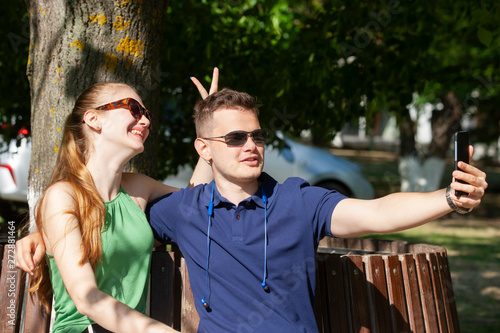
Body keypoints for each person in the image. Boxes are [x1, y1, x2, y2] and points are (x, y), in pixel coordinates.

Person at [19, 86, 488, 332]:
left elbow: (376, 212)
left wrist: (448, 198)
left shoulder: (298, 200)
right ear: (204, 148)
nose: (252, 146)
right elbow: (86, 220)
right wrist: (45, 232)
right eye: (235, 138)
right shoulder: (182, 210)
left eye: (257, 136)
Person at [15, 71, 218, 333]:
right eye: (134, 109)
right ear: (94, 119)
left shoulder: (138, 188)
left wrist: (210, 128)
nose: (144, 120)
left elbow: (194, 204)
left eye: (148, 115)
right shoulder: (63, 196)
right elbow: (87, 298)